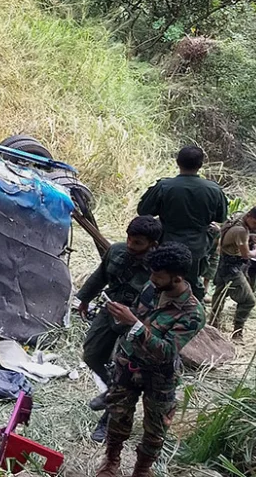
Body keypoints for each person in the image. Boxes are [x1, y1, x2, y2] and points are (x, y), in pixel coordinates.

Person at [97, 242, 204, 477]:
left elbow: (166, 350)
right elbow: (138, 314)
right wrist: (122, 317)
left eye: (158, 275)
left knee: (156, 428)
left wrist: (133, 323)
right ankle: (111, 461)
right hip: (128, 364)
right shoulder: (152, 287)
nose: (152, 278)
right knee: (118, 415)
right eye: (152, 273)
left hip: (160, 375)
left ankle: (142, 469)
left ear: (177, 278)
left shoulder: (192, 313)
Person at [76, 216, 163, 443]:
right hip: (111, 310)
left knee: (124, 371)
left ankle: (108, 419)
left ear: (153, 244)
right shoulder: (116, 251)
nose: (131, 245)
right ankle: (111, 390)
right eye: (130, 239)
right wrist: (84, 299)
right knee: (92, 355)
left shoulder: (160, 268)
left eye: (138, 242)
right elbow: (100, 276)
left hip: (138, 321)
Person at [137, 145, 228, 301]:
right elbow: (221, 217)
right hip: (197, 246)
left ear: (178, 162)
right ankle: (194, 311)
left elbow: (144, 210)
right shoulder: (214, 189)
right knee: (192, 283)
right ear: (200, 165)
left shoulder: (164, 186)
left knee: (160, 280)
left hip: (167, 243)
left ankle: (155, 310)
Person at [209, 207, 256, 341]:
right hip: (232, 268)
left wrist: (250, 237)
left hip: (223, 262)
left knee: (219, 295)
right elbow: (246, 254)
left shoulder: (238, 219)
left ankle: (213, 324)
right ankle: (237, 332)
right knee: (249, 301)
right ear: (249, 216)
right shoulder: (241, 230)